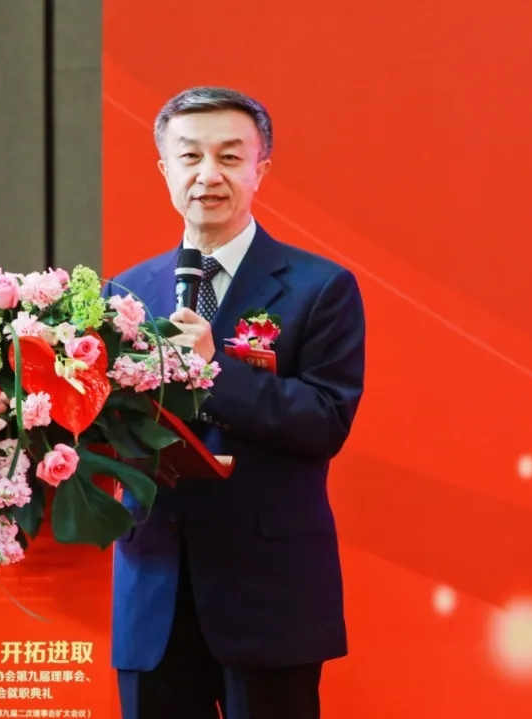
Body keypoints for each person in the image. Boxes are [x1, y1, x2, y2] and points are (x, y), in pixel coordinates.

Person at [103, 86, 366, 719]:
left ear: (260, 169)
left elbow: (325, 419)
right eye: (190, 156)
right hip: (154, 584)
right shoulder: (125, 292)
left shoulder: (319, 288)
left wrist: (211, 370)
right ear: (164, 169)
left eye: (229, 156)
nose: (208, 175)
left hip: (267, 590)